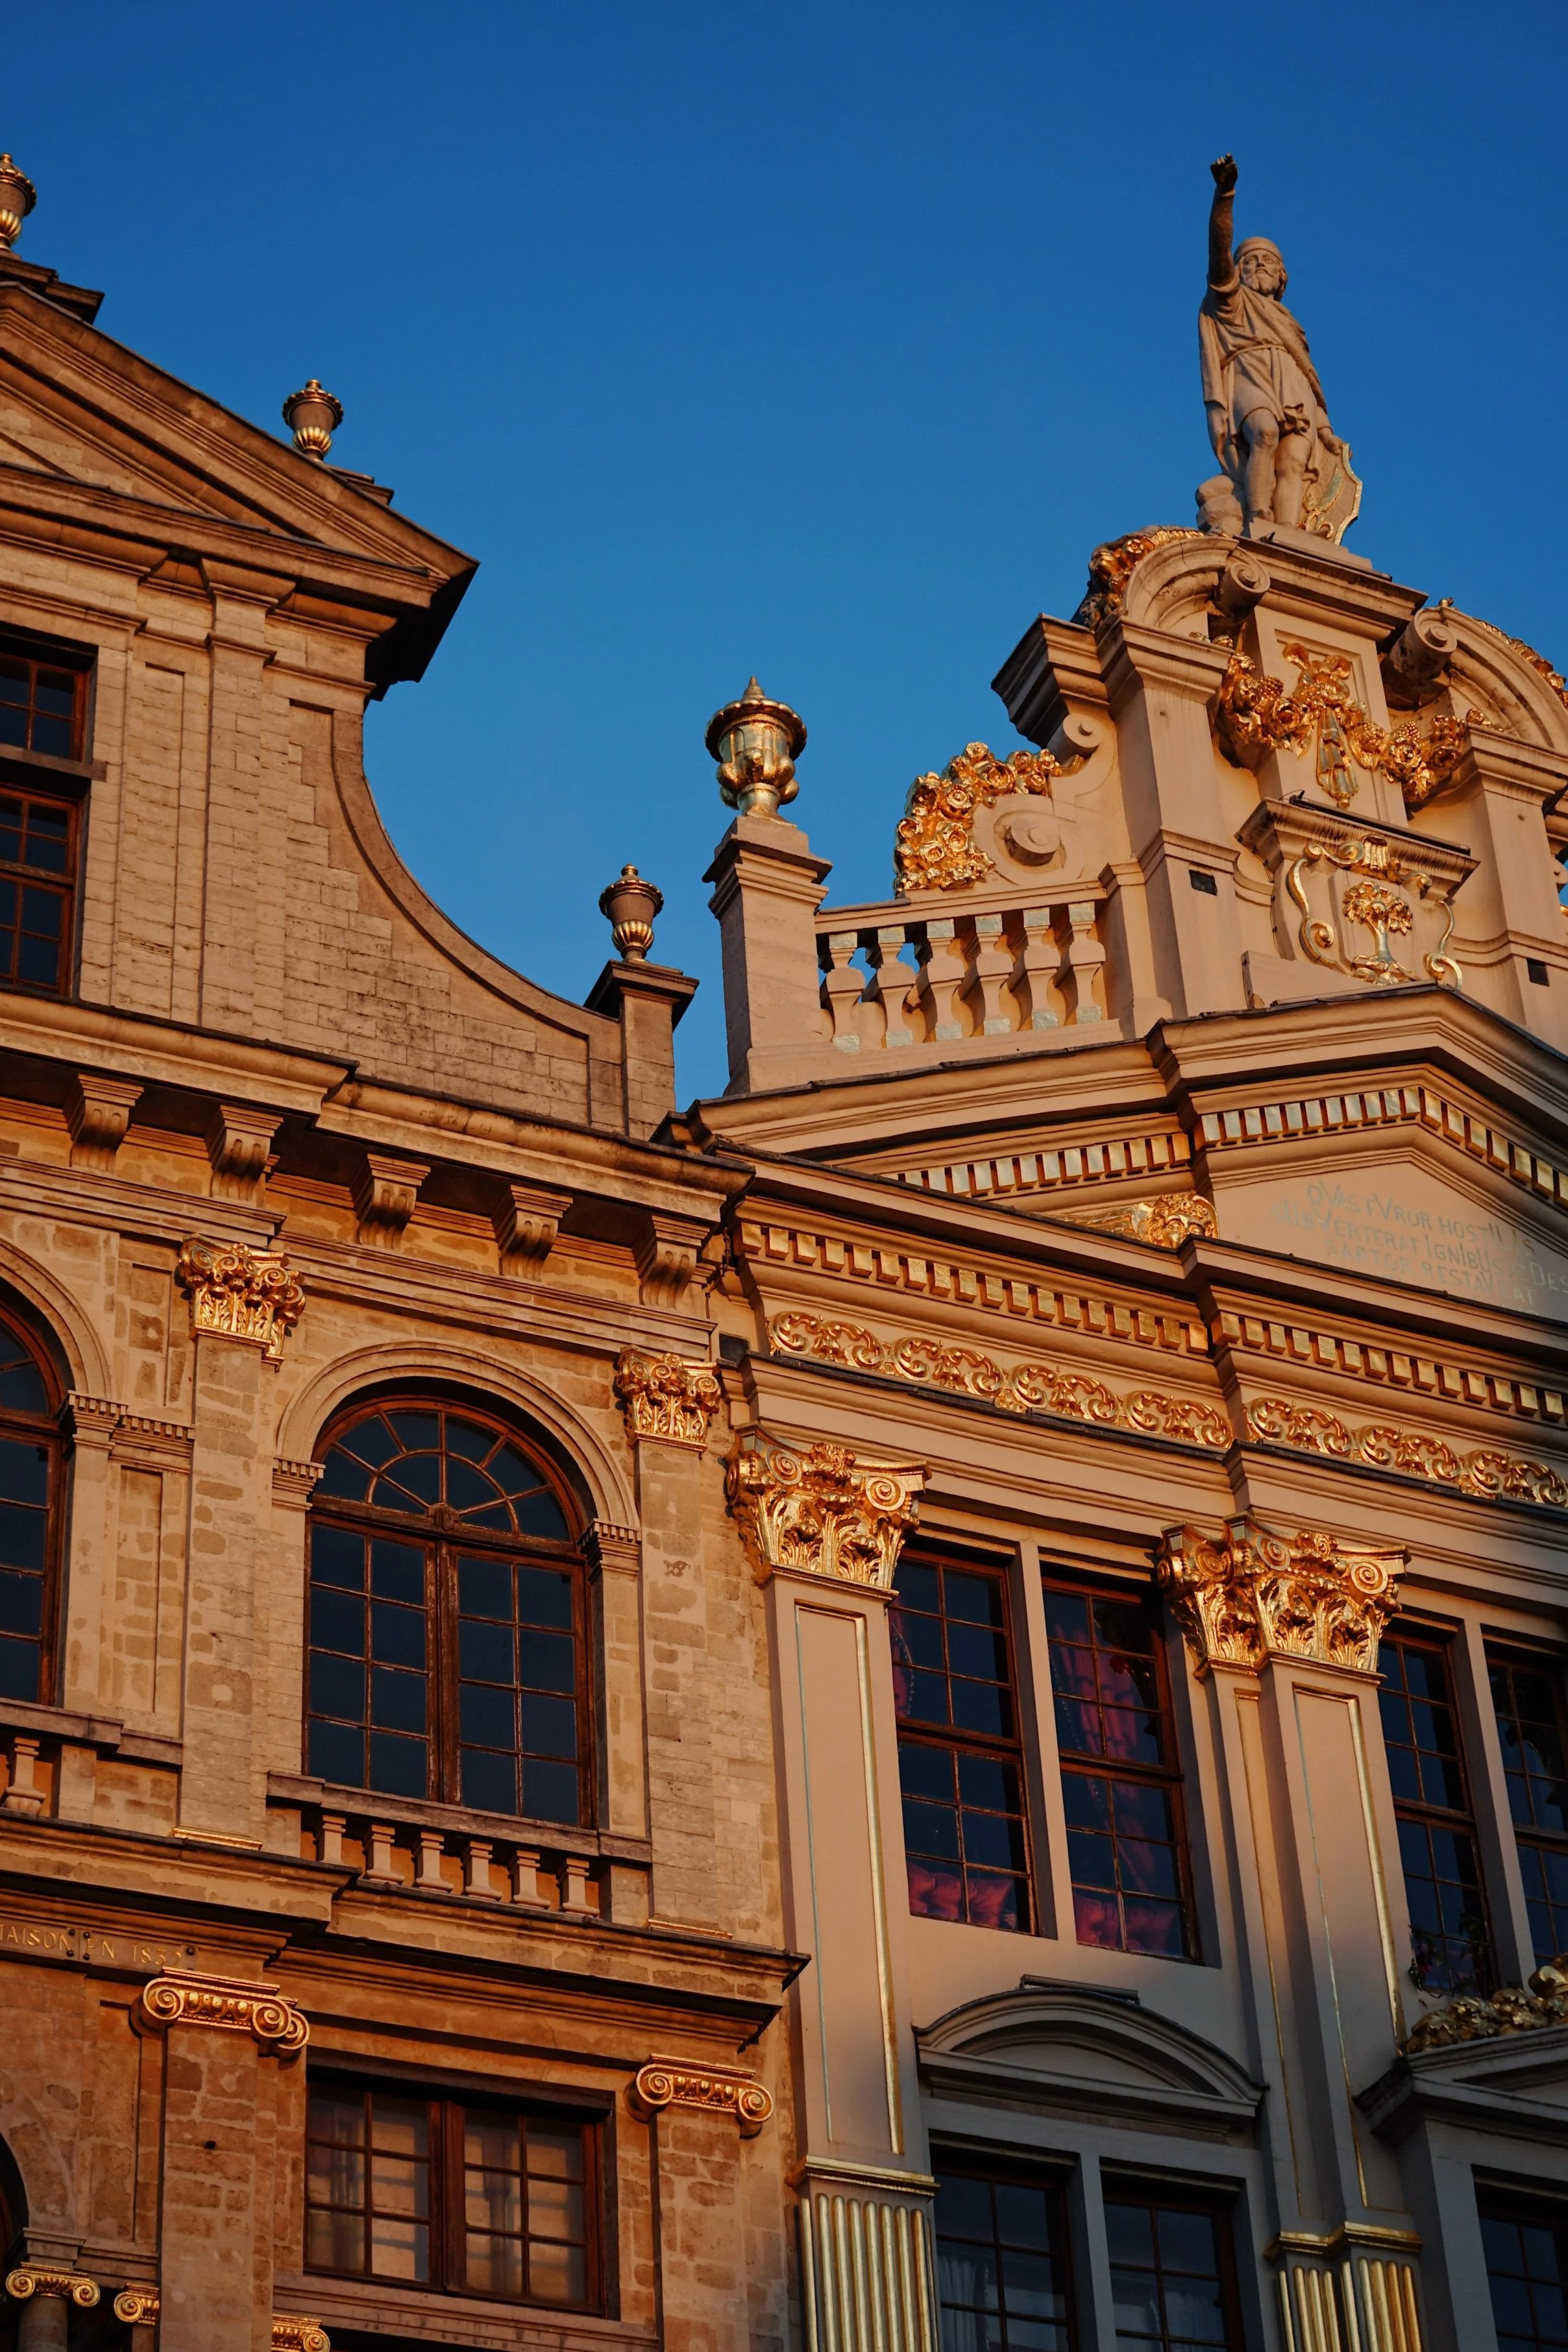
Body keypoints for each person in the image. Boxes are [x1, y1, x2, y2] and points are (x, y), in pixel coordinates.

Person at [1200, 154, 1347, 532]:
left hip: (1293, 386)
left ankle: (1288, 535)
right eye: (1249, 262)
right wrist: (1225, 195)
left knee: (1295, 461)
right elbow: (1219, 251)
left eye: (1267, 261)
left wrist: (1326, 430)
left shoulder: (1291, 324)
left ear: (1282, 276)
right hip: (1250, 372)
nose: (1258, 266)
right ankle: (1259, 517)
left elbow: (1309, 376)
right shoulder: (1230, 299)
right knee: (1263, 432)